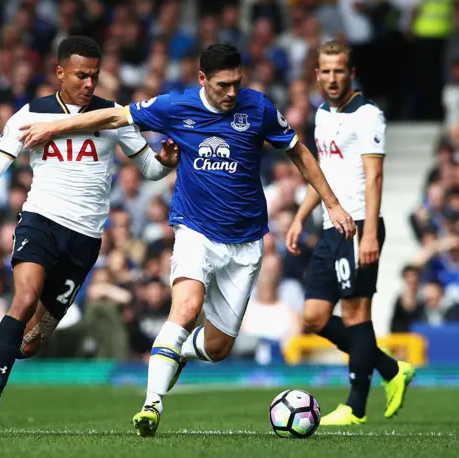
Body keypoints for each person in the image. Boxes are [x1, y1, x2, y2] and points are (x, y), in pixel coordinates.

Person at [18, 43, 356, 437]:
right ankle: (151, 406)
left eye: (236, 83)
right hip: (195, 229)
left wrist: (331, 203)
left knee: (218, 348)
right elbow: (115, 117)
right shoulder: (175, 106)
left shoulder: (259, 108)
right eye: (222, 85)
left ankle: (179, 352)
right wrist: (53, 126)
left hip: (245, 242)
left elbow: (300, 152)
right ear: (202, 79)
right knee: (185, 307)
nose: (231, 93)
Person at [0, 36, 180, 436]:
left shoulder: (113, 116)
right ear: (60, 72)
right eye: (82, 75)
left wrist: (166, 163)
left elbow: (149, 169)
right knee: (24, 298)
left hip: (84, 239)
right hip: (40, 221)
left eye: (95, 76)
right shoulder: (30, 115)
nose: (89, 83)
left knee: (31, 343)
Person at [285, 40, 415, 426]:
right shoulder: (323, 114)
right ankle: (393, 369)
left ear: (351, 73)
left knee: (356, 314)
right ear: (316, 74)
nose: (331, 78)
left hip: (358, 224)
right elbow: (321, 175)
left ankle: (355, 407)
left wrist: (370, 232)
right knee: (313, 317)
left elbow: (374, 176)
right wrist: (298, 216)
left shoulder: (368, 115)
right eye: (325, 71)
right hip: (330, 225)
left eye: (338, 71)